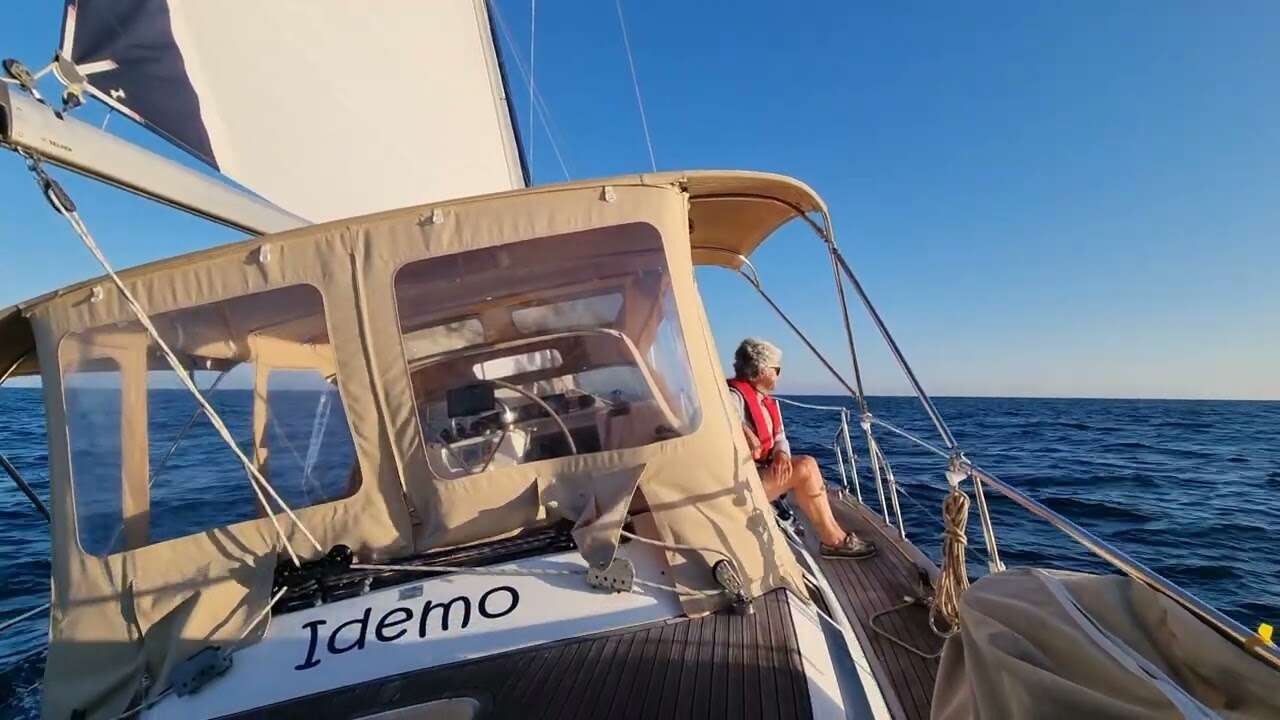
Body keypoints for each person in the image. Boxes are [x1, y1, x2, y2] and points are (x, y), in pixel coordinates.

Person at [728, 338, 876, 559]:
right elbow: (723, 416)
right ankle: (833, 541)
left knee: (807, 465)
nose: (779, 375)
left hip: (760, 474)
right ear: (761, 371)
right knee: (805, 467)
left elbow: (780, 437)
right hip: (739, 484)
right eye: (776, 370)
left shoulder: (765, 401)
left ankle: (834, 533)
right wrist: (742, 429)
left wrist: (780, 454)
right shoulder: (732, 398)